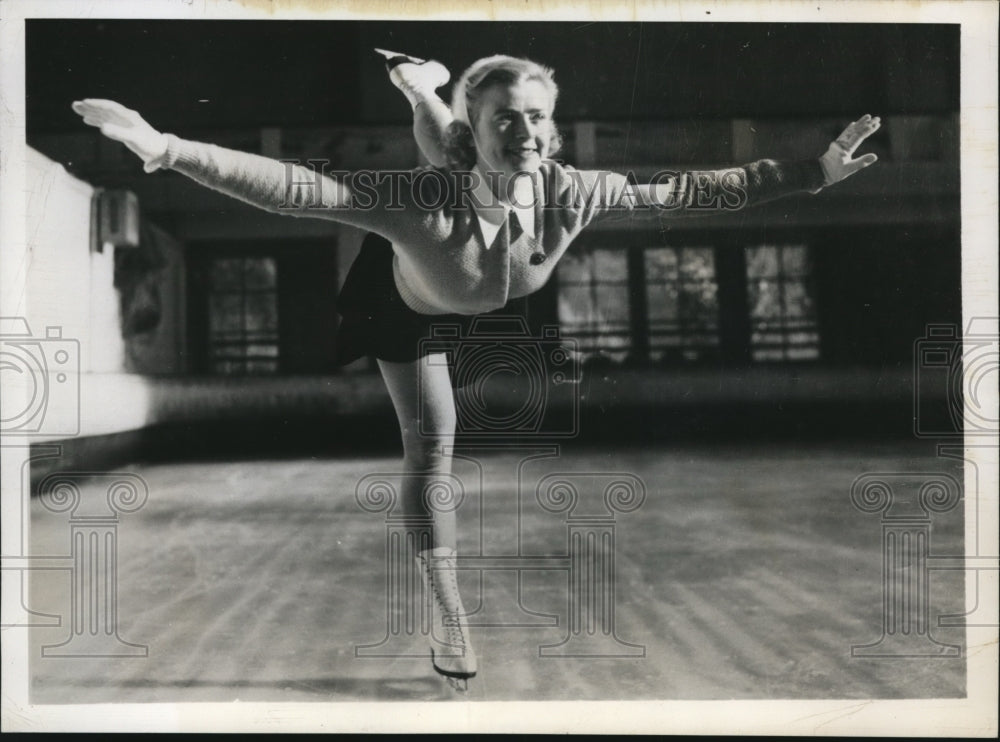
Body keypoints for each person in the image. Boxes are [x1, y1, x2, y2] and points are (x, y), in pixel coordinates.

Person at [71, 51, 879, 691]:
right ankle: (449, 614)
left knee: (457, 149)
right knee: (434, 450)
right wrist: (164, 147)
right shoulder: (416, 199)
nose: (525, 132)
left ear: (553, 129)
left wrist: (813, 171)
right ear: (484, 124)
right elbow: (294, 189)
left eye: (537, 119)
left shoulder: (575, 190)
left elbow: (695, 191)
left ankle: (419, 85)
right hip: (402, 304)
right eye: (506, 120)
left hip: (473, 264)